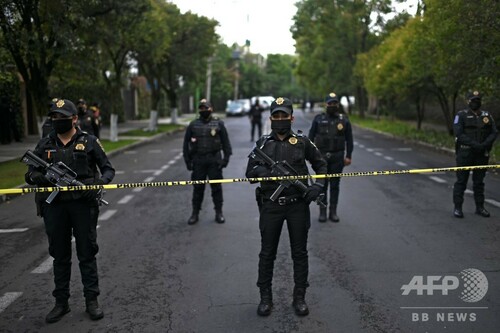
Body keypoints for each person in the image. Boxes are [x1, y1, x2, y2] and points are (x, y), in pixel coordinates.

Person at [25, 98, 115, 323]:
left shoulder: (89, 141)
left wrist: (96, 185)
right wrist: (38, 177)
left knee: (87, 253)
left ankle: (91, 300)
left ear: (74, 119)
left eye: (61, 117)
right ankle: (61, 303)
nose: (57, 121)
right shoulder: (45, 144)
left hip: (82, 206)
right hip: (54, 207)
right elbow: (29, 173)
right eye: (54, 117)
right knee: (60, 255)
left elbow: (108, 169)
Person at [246, 97, 327, 317]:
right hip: (271, 204)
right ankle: (265, 298)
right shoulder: (263, 144)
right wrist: (266, 172)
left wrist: (318, 186)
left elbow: (321, 164)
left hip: (297, 205)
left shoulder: (302, 141)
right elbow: (250, 172)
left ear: (291, 117)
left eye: (284, 115)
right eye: (276, 115)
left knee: (299, 253)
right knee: (267, 253)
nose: (280, 119)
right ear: (271, 117)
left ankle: (299, 297)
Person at [183, 98, 232, 224]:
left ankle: (219, 212)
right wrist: (187, 161)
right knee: (198, 188)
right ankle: (195, 213)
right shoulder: (193, 125)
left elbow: (226, 143)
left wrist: (226, 159)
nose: (204, 110)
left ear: (211, 109)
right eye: (202, 108)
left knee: (216, 188)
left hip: (214, 161)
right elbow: (186, 144)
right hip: (198, 161)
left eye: (206, 108)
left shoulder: (218, 124)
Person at [308, 92, 353, 222]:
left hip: (337, 157)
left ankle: (333, 212)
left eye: (335, 103)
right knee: (322, 185)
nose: (332, 105)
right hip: (321, 158)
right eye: (330, 103)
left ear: (338, 104)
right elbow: (310, 139)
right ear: (326, 104)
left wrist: (348, 156)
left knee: (335, 185)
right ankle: (323, 211)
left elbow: (349, 140)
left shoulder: (343, 120)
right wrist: (311, 156)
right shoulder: (318, 119)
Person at [452, 91, 498, 218]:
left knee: (479, 182)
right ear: (468, 101)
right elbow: (459, 134)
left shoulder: (487, 115)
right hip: (465, 153)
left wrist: (484, 145)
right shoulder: (461, 115)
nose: (475, 102)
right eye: (473, 100)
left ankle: (480, 207)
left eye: (478, 100)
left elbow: (494, 132)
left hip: (481, 154)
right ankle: (458, 208)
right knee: (461, 181)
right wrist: (475, 144)